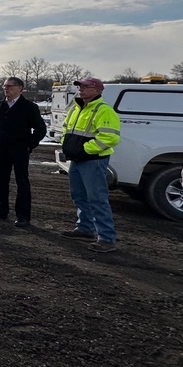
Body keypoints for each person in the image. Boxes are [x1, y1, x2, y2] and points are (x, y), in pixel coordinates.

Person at [59, 77, 121, 252]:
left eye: (86, 87)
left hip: (92, 160)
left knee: (97, 199)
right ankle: (85, 228)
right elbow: (66, 129)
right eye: (80, 87)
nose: (81, 89)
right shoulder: (76, 108)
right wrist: (67, 146)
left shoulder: (103, 110)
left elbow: (110, 137)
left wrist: (84, 150)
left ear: (98, 90)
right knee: (79, 195)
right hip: (78, 159)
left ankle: (107, 238)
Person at [0, 77, 47, 227]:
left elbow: (40, 129)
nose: (6, 89)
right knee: (0, 180)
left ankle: (23, 216)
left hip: (19, 149)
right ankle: (1, 210)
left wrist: (29, 145)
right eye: (5, 86)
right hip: (1, 149)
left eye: (10, 86)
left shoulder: (29, 107)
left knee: (22, 182)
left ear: (20, 88)